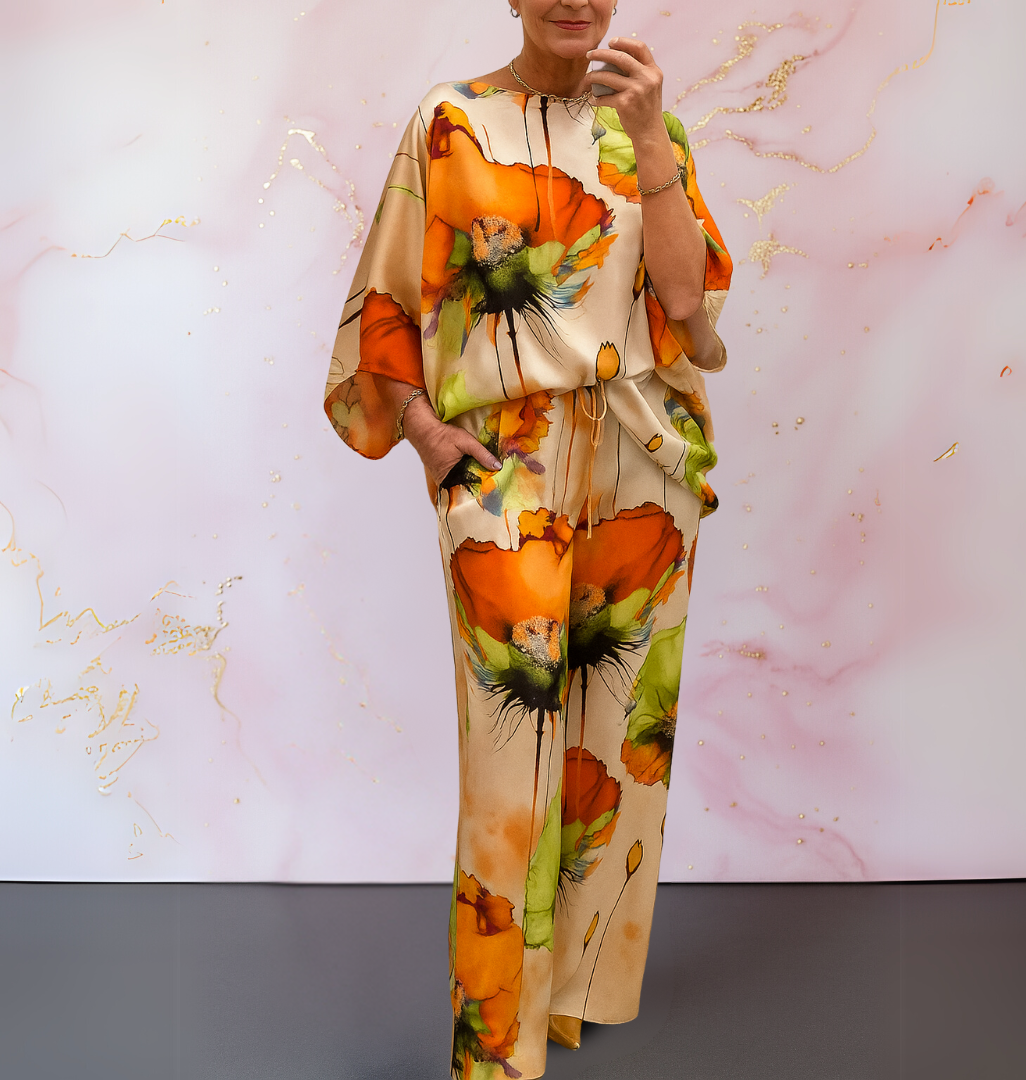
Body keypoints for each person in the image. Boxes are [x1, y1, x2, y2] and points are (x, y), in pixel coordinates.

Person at [324, 2, 732, 1076]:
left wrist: (651, 145)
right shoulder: (451, 120)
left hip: (641, 463)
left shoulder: (652, 131)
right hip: (511, 466)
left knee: (614, 754)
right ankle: (495, 1046)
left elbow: (687, 306)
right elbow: (385, 294)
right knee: (513, 761)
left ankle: (572, 999)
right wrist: (426, 435)